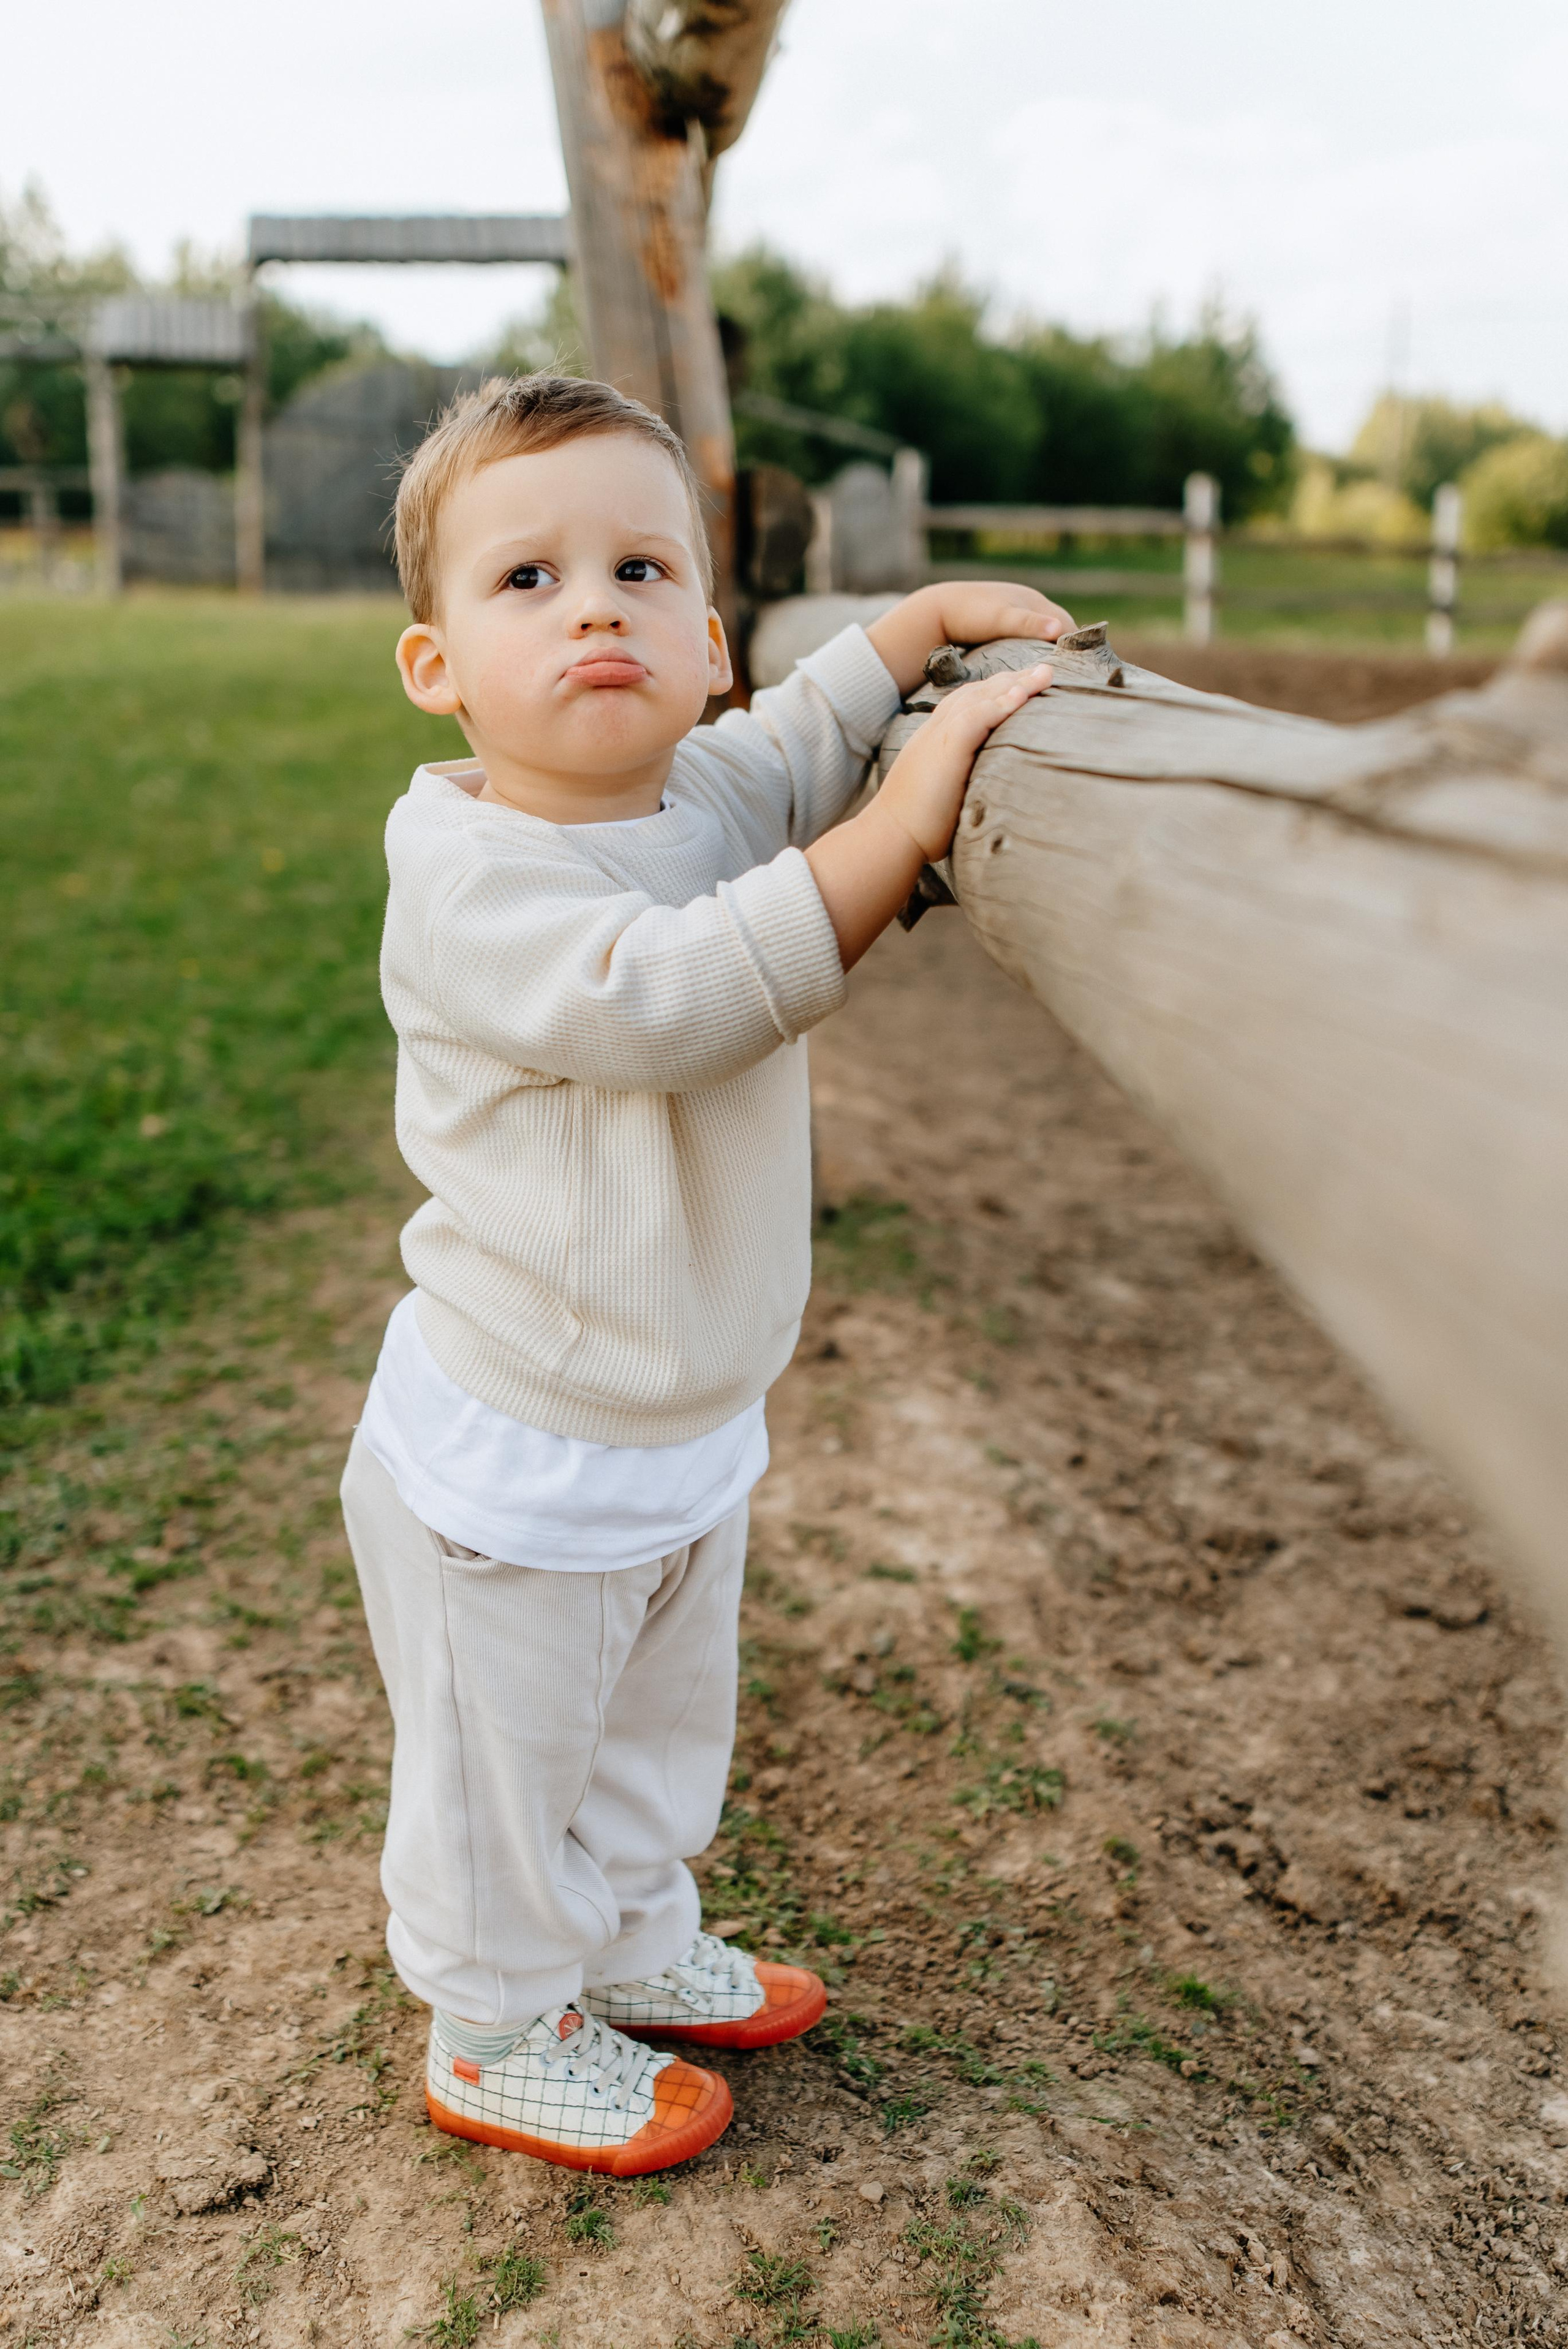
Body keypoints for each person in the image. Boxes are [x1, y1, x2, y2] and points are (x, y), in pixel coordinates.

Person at [339, 371, 1070, 2176]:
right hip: (518, 1443)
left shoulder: (704, 791)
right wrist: (902, 827)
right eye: (527, 580)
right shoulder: (467, 869)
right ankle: (499, 2011)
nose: (594, 603)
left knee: (660, 1722)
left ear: (707, 638)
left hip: (683, 1409)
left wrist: (914, 631)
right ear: (434, 664)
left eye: (641, 568)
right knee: (506, 1764)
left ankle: (637, 1935)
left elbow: (795, 748)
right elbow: (662, 996)